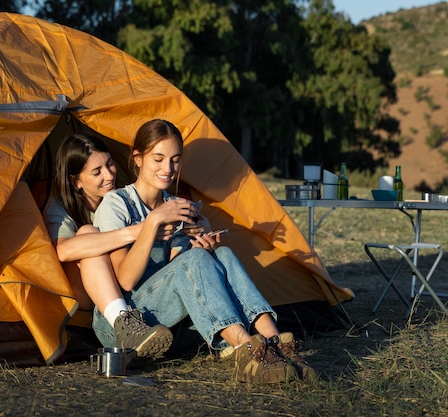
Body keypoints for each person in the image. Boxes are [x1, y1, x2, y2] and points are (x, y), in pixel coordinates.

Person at [92, 119, 316, 383]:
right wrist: (152, 222)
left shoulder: (177, 205)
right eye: (158, 159)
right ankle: (245, 350)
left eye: (175, 160)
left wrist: (199, 247)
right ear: (138, 158)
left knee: (223, 254)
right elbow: (125, 280)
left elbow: (175, 274)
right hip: (129, 325)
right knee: (197, 259)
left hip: (169, 321)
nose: (168, 168)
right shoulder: (117, 204)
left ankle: (273, 341)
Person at [42, 132, 173, 358]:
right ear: (77, 182)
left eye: (110, 164)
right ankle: (124, 325)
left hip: (126, 280)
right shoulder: (59, 207)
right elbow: (62, 250)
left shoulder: (123, 199)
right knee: (87, 234)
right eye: (97, 172)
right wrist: (138, 231)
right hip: (81, 293)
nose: (110, 175)